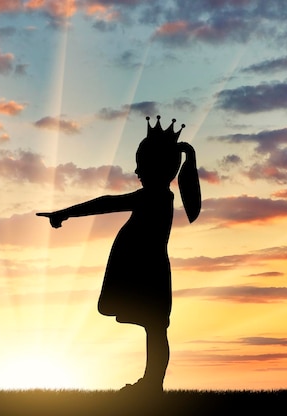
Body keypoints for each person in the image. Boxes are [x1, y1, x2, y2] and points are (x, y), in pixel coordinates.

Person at [37, 116, 201, 395]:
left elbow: (107, 203)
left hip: (148, 272)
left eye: (142, 163)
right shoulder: (159, 196)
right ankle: (151, 383)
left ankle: (152, 385)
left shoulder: (155, 196)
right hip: (149, 270)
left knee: (156, 328)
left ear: (156, 166)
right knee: (155, 327)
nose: (136, 170)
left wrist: (65, 213)